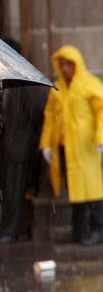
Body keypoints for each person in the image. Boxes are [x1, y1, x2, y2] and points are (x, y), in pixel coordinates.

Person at [39, 45, 103, 245]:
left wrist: (102, 137)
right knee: (75, 190)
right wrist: (46, 143)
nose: (64, 69)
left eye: (68, 65)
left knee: (92, 189)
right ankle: (79, 230)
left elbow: (101, 113)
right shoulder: (58, 89)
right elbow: (50, 118)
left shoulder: (90, 85)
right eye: (62, 65)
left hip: (86, 146)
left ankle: (97, 229)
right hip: (66, 147)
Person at [0, 39, 49, 243]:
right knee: (9, 189)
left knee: (15, 190)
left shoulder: (24, 84)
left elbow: (37, 114)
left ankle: (12, 231)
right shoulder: (6, 81)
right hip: (8, 146)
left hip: (20, 147)